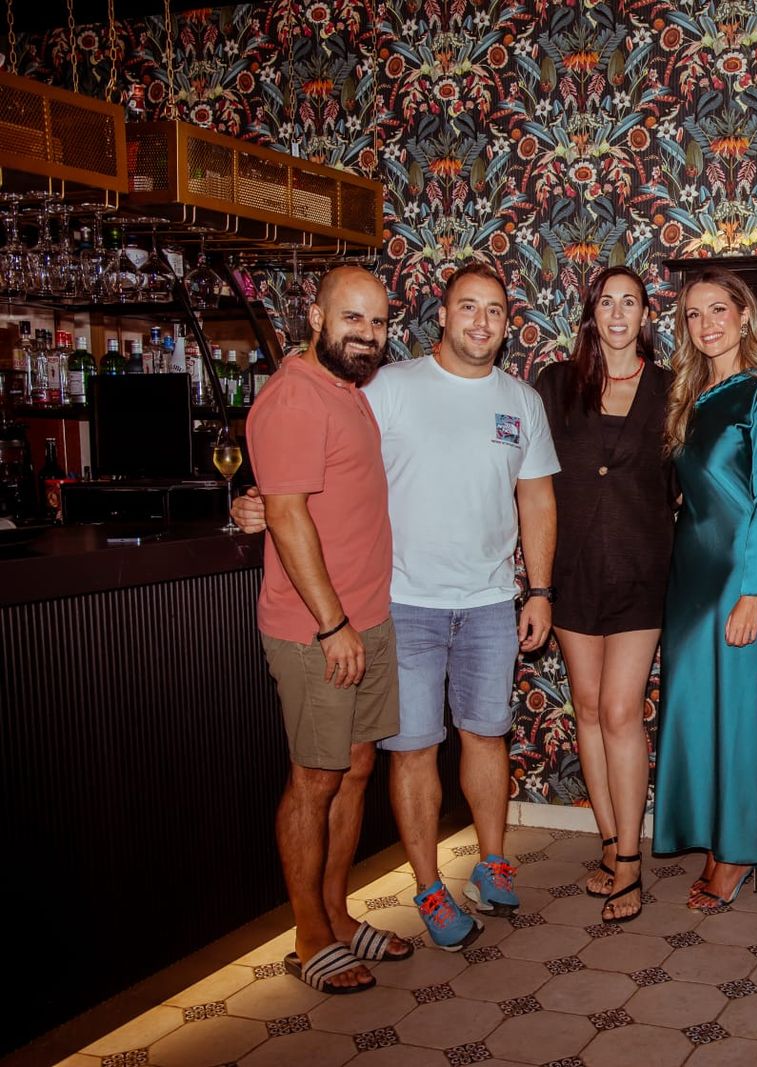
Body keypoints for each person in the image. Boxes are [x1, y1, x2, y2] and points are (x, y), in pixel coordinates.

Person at [239, 261, 559, 952]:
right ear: (441, 315)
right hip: (397, 603)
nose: (481, 320)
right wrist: (252, 502)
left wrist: (538, 588)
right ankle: (422, 891)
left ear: (510, 324)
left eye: (495, 310)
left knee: (467, 739)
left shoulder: (517, 401)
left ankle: (487, 863)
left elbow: (537, 497)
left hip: (481, 603)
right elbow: (293, 479)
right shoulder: (384, 385)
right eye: (467, 306)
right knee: (401, 753)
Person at [248, 266, 399, 993]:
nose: (367, 335)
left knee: (356, 765)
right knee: (314, 777)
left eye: (377, 322)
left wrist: (358, 620)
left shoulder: (348, 391)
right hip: (320, 629)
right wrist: (332, 621)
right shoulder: (293, 397)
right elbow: (285, 514)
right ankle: (309, 935)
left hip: (366, 618)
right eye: (352, 319)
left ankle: (339, 913)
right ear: (315, 316)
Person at [533, 266, 675, 924]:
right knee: (586, 708)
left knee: (621, 710)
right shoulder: (556, 384)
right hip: (573, 572)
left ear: (646, 314)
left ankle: (630, 865)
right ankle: (610, 840)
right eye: (606, 302)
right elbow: (526, 475)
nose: (618, 312)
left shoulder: (673, 390)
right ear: (590, 313)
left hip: (644, 573)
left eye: (630, 302)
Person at [653, 266, 757, 910]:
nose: (706, 324)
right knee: (694, 709)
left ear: (744, 317)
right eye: (693, 314)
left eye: (718, 310)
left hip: (736, 578)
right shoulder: (687, 398)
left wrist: (755, 592)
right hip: (689, 576)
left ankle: (735, 851)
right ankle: (711, 836)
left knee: (736, 713)